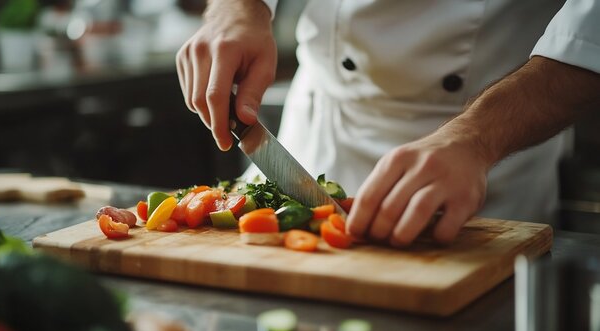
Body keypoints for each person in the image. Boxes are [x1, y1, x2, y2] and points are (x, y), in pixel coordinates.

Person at [175, 0, 600, 247]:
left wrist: (477, 138)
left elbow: (590, 36)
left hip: (485, 151)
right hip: (321, 129)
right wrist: (237, 8)